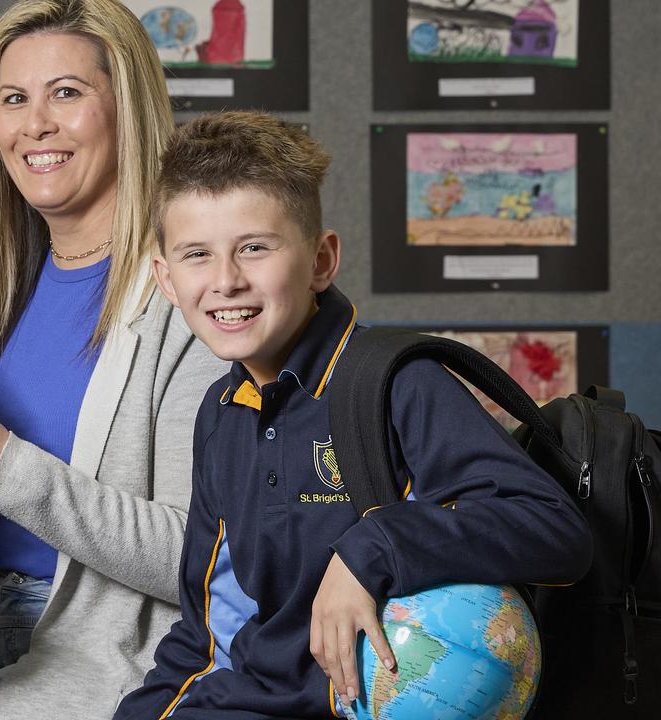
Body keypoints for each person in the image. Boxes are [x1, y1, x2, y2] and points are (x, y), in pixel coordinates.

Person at [114, 111, 593, 719]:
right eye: (196, 255)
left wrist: (375, 546)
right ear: (165, 278)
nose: (226, 281)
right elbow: (210, 632)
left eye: (254, 248)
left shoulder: (397, 384)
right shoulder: (220, 412)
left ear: (321, 260)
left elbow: (554, 530)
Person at [0, 1, 227, 718]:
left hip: (111, 656)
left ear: (126, 109)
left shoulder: (190, 294)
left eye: (66, 93)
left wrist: (0, 459)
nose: (34, 124)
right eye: (14, 98)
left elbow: (195, 558)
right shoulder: (7, 291)